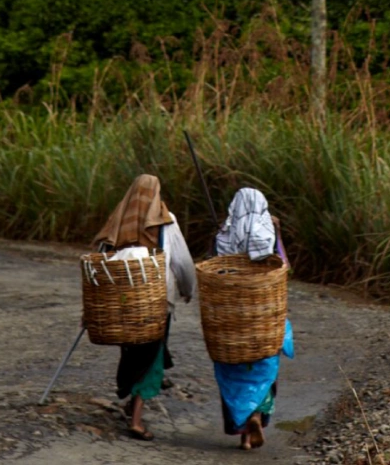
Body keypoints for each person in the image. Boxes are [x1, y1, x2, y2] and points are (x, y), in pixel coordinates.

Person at [93, 173, 196, 440]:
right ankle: (136, 420)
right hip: (155, 303)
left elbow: (100, 263)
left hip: (120, 305)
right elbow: (182, 263)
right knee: (151, 357)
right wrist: (187, 290)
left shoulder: (117, 221)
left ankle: (129, 402)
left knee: (132, 351)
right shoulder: (165, 222)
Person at [211, 186, 293, 450]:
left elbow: (212, 268)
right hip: (264, 316)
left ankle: (243, 427)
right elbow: (284, 268)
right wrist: (277, 232)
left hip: (229, 317)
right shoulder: (268, 232)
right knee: (263, 366)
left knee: (233, 367)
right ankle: (256, 418)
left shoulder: (224, 234)